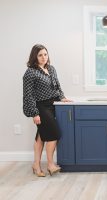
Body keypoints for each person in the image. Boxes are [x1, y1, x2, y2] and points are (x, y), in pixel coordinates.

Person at [23, 44, 71, 177]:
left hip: (52, 105)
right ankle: (50, 164)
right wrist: (34, 113)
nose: (43, 57)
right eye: (40, 55)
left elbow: (57, 86)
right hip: (40, 107)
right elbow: (28, 95)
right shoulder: (30, 72)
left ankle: (36, 164)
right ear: (35, 57)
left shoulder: (51, 69)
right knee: (54, 134)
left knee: (41, 137)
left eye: (45, 54)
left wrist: (62, 98)